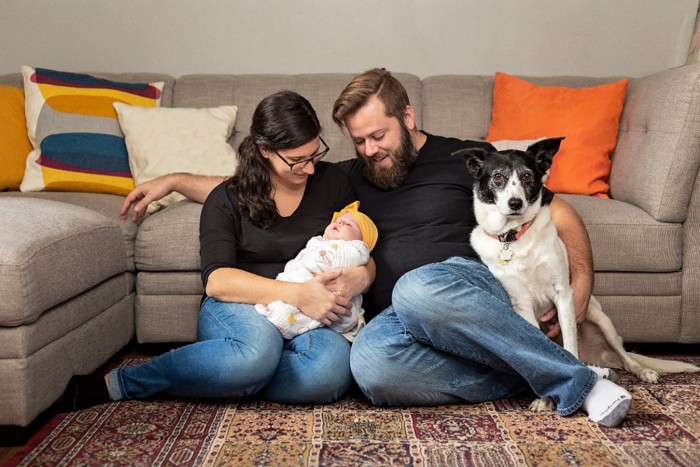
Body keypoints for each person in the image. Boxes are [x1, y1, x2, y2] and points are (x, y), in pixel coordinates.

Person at [119, 69, 632, 427]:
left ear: (406, 117)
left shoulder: (468, 160)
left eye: (378, 135)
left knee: (414, 286)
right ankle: (530, 372)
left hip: (463, 289)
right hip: (396, 319)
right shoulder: (344, 177)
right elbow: (259, 185)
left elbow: (557, 211)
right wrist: (171, 180)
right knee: (369, 368)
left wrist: (580, 284)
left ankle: (576, 382)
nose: (369, 151)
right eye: (358, 140)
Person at [59, 90, 373, 411]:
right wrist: (297, 293)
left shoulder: (333, 182)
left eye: (314, 154)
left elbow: (362, 249)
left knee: (328, 373)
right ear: (265, 150)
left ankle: (231, 375)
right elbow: (218, 282)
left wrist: (360, 276)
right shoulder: (226, 199)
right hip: (241, 306)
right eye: (296, 160)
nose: (308, 168)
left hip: (311, 314)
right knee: (255, 353)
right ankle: (127, 381)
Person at [256, 200, 378, 341]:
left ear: (363, 241)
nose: (339, 223)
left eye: (349, 224)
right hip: (294, 284)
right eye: (338, 220)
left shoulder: (354, 250)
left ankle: (280, 320)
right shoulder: (318, 241)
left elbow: (333, 260)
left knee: (284, 315)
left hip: (323, 293)